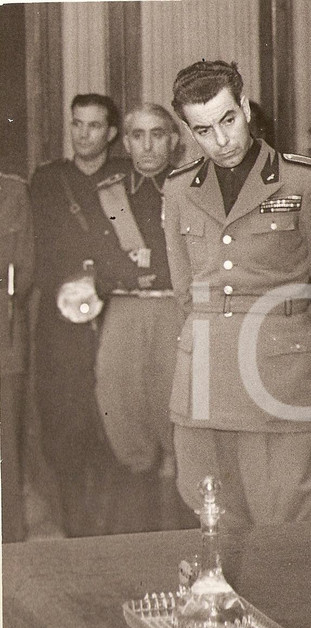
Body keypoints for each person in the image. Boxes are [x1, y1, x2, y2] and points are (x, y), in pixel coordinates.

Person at [164, 60, 311, 528]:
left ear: (246, 109)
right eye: (203, 130)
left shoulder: (304, 180)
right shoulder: (178, 190)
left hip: (279, 374)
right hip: (204, 374)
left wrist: (302, 339)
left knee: (288, 511)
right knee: (210, 509)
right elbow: (184, 288)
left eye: (228, 120)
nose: (221, 140)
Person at [29, 93, 133, 537]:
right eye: (77, 124)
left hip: (114, 315)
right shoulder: (49, 180)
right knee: (64, 424)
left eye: (94, 126)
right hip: (60, 322)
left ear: (111, 134)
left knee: (116, 425)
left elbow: (131, 247)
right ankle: (73, 526)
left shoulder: (125, 180)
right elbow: (37, 251)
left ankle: (110, 529)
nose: (84, 133)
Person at [89, 103, 189, 531]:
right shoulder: (109, 193)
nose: (148, 145)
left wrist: (144, 265)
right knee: (120, 399)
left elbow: (190, 261)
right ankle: (139, 519)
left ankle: (178, 515)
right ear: (125, 142)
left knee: (176, 406)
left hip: (176, 308)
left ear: (174, 140)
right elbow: (103, 262)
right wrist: (139, 268)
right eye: (138, 135)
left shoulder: (191, 189)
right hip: (125, 309)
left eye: (158, 134)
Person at [1, 171, 32, 542]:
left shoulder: (12, 192)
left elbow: (23, 273)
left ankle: (9, 545)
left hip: (3, 340)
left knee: (5, 448)